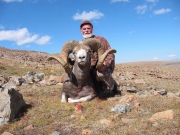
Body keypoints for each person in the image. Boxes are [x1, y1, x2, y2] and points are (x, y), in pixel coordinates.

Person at [80, 20, 118, 99]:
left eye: (88, 28)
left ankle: (113, 86)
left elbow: (110, 54)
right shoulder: (80, 44)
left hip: (100, 67)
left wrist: (105, 64)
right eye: (84, 29)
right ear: (81, 31)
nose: (86, 30)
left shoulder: (100, 40)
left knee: (100, 74)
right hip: (88, 69)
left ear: (92, 29)